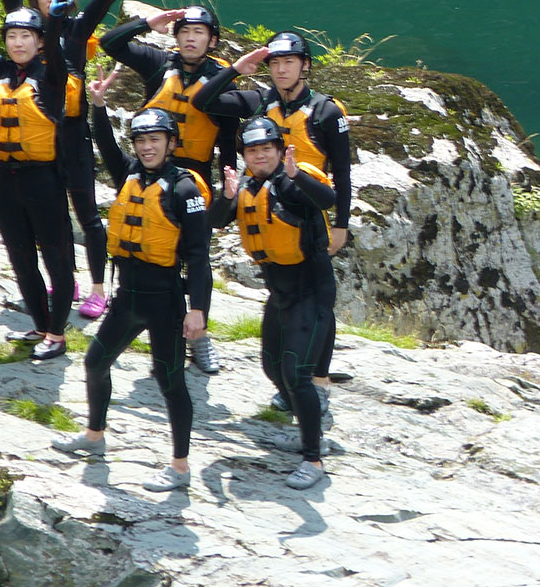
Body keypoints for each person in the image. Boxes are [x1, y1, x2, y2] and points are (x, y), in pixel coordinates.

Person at [0, 0, 150, 321]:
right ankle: (65, 281)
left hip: (73, 134)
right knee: (51, 215)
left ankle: (97, 288)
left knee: (86, 213)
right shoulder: (23, 31)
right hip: (38, 138)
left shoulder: (77, 32)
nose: (49, 1)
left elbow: (104, 0)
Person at [53, 69, 211, 492]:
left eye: (155, 139)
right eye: (140, 140)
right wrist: (98, 106)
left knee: (170, 381)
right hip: (127, 298)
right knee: (94, 363)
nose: (146, 147)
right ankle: (94, 437)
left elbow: (199, 255)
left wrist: (198, 310)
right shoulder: (130, 176)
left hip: (165, 302)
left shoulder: (184, 190)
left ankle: (180, 468)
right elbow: (106, 146)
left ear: (171, 143)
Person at [191, 31, 351, 410]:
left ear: (305, 65)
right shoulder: (260, 102)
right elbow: (203, 101)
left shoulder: (326, 112)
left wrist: (341, 224)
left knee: (318, 301)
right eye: (275, 63)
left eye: (289, 62)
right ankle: (291, 378)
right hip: (268, 207)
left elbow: (343, 172)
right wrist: (235, 69)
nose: (281, 70)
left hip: (310, 207)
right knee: (282, 295)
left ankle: (318, 381)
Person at [100, 4, 238, 373]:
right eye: (185, 31)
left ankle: (199, 332)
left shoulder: (221, 77)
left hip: (194, 177)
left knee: (194, 256)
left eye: (199, 32)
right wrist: (147, 23)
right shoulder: (159, 63)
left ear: (212, 40)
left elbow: (227, 134)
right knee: (148, 249)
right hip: (151, 168)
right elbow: (109, 43)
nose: (191, 38)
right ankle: (150, 321)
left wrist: (228, 187)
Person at [207, 118, 337, 490]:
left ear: (280, 151)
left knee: (297, 375)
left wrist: (297, 175)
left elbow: (326, 200)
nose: (260, 156)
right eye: (252, 151)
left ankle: (313, 459)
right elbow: (216, 220)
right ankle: (306, 430)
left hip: (312, 293)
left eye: (266, 149)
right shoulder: (247, 187)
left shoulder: (293, 184)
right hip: (280, 295)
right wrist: (227, 197)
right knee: (273, 368)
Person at [0, 5, 74, 360]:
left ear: (39, 42)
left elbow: (57, 57)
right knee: (20, 259)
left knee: (55, 258)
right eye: (12, 36)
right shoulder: (0, 75)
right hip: (5, 181)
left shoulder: (51, 77)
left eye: (26, 36)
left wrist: (54, 23)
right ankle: (40, 326)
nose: (18, 43)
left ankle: (58, 334)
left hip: (42, 181)